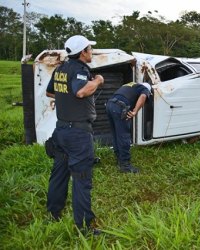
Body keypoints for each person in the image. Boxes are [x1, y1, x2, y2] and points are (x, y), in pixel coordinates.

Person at [45, 35, 104, 234]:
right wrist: (97, 80)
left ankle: (53, 213)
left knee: (59, 174)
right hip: (77, 135)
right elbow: (80, 92)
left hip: (60, 131)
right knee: (81, 179)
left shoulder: (60, 69)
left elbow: (50, 92)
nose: (92, 52)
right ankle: (84, 227)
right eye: (90, 48)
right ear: (83, 52)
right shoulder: (80, 70)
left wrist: (67, 97)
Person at [106, 82, 152, 173]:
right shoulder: (144, 88)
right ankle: (125, 165)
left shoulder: (130, 85)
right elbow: (143, 96)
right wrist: (135, 111)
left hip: (109, 105)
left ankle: (119, 159)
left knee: (116, 134)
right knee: (124, 135)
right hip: (120, 107)